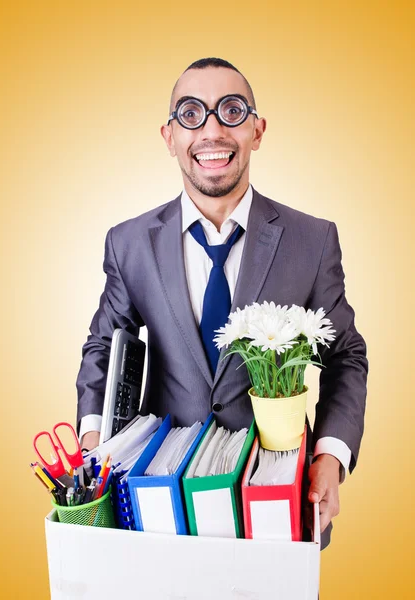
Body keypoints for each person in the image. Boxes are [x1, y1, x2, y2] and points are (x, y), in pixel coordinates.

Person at [75, 57, 368, 548]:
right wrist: (93, 438)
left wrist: (330, 457)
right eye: (191, 114)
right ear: (169, 137)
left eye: (231, 111)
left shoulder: (312, 240)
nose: (212, 130)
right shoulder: (129, 244)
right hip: (160, 506)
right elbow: (104, 344)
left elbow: (345, 356)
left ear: (257, 129)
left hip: (280, 498)